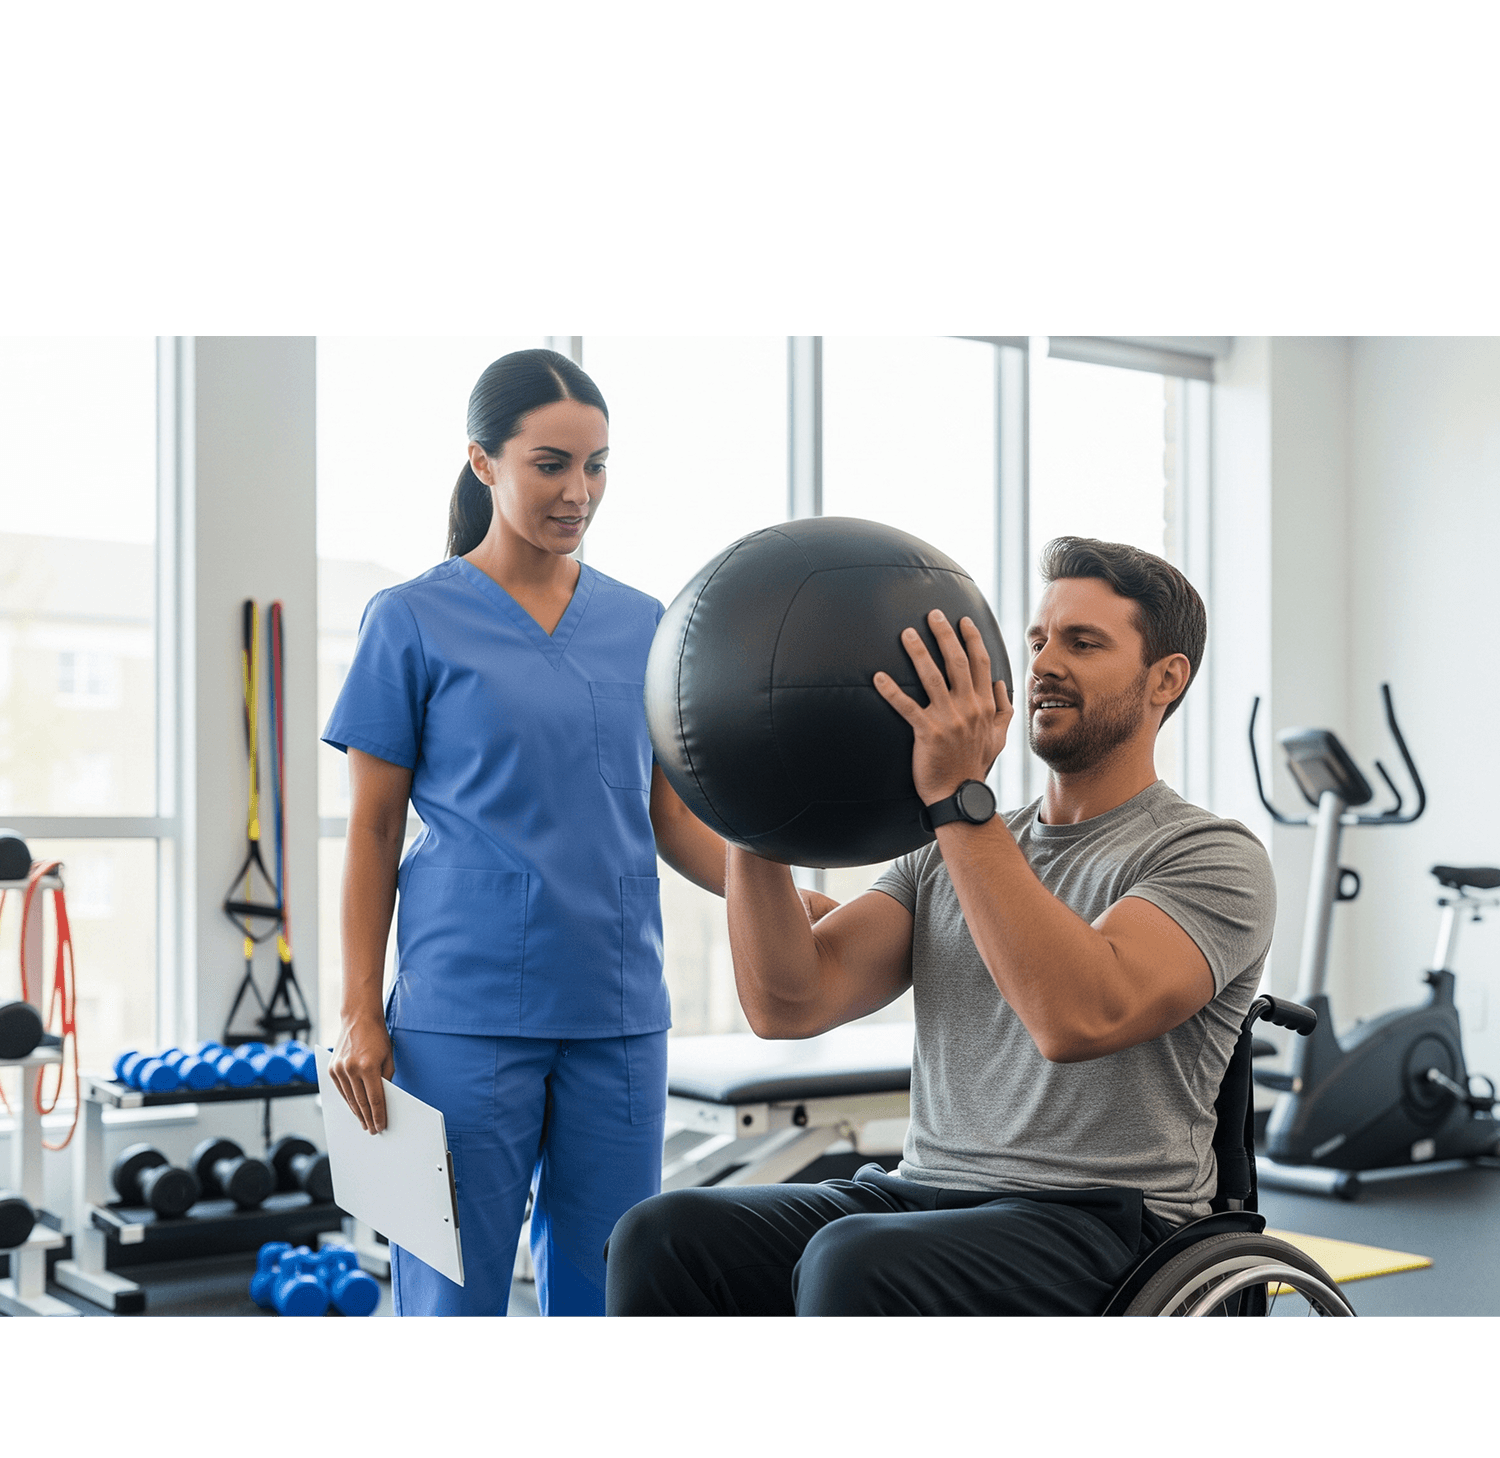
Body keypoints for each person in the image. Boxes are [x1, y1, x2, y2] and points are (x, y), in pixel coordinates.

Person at [606, 536, 1277, 1317]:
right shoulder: (951, 852)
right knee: (663, 1234)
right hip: (923, 1196)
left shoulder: (1209, 855)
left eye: (1083, 643)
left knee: (855, 1262)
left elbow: (1079, 1013)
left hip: (1103, 1228)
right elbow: (792, 1000)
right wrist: (753, 810)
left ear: (1166, 678)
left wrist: (959, 800)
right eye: (1038, 640)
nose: (1044, 663)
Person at [322, 349, 730, 1317]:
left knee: (609, 1293)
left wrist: (786, 900)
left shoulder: (645, 624)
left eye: (596, 466)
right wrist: (356, 1009)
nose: (578, 491)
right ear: (483, 462)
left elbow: (668, 816)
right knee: (451, 1295)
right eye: (550, 463)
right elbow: (373, 833)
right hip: (462, 1012)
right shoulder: (411, 619)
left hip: (619, 1010)